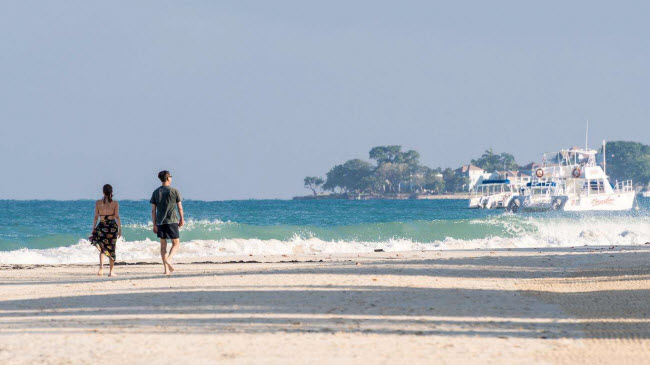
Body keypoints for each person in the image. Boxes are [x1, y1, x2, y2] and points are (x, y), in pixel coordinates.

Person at [150, 170, 184, 275]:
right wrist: (182, 218)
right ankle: (169, 259)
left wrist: (154, 224)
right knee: (176, 243)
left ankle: (166, 270)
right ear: (168, 178)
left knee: (163, 246)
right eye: (171, 176)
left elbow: (153, 210)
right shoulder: (174, 191)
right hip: (172, 220)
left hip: (160, 221)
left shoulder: (156, 192)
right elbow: (179, 207)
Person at [90, 184, 121, 277]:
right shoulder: (115, 203)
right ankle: (111, 271)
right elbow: (116, 217)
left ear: (103, 192)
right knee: (112, 248)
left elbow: (96, 217)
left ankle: (101, 269)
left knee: (102, 248)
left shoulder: (98, 203)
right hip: (112, 227)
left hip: (102, 225)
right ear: (112, 192)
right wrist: (120, 229)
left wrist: (93, 228)